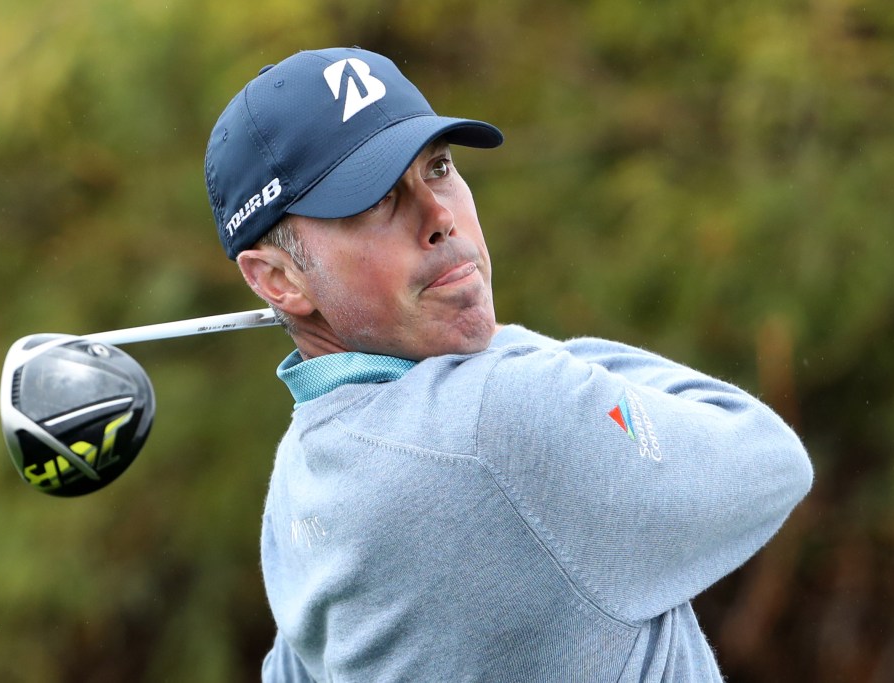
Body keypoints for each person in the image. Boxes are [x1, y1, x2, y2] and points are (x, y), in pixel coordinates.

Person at [203, 47, 813, 682]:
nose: (440, 218)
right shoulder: (503, 416)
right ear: (277, 279)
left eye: (437, 168)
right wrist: (518, 353)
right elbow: (767, 457)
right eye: (378, 199)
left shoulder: (297, 481)